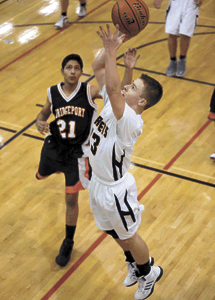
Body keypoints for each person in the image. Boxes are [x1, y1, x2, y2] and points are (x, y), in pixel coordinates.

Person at [89, 24, 163, 300]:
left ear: (141, 101)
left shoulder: (131, 121)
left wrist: (112, 51)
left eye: (133, 87)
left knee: (130, 236)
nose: (125, 86)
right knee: (110, 229)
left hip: (115, 190)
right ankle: (134, 263)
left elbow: (111, 85)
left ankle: (148, 273)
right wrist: (122, 40)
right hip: (98, 183)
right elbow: (98, 68)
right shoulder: (116, 104)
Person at [36, 53, 101, 267]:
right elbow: (43, 114)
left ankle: (68, 241)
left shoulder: (89, 91)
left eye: (77, 68)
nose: (72, 71)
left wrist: (122, 66)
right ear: (62, 70)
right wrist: (40, 122)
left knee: (71, 200)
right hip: (56, 148)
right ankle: (51, 168)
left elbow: (115, 90)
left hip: (78, 154)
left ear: (82, 72)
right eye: (69, 68)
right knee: (42, 173)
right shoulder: (52, 92)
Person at [154, 0, 202, 77]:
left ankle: (182, 59)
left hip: (191, 4)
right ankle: (172, 61)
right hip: (175, 3)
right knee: (172, 33)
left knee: (185, 34)